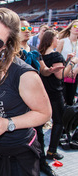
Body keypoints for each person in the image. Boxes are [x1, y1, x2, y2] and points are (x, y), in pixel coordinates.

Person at [0, 8, 52, 176]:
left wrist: (8, 123)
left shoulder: (23, 74)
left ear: (6, 46)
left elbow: (45, 113)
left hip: (18, 155)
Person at [19, 18, 59, 176]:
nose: (27, 31)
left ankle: (42, 163)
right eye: (23, 28)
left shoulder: (34, 49)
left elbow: (43, 70)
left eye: (29, 28)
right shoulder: (11, 50)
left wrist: (51, 71)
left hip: (34, 100)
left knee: (39, 133)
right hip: (18, 101)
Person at [39, 30, 78, 161]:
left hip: (43, 92)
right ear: (51, 40)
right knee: (58, 121)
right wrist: (73, 62)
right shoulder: (56, 56)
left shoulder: (40, 55)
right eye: (56, 37)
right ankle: (52, 151)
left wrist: (65, 60)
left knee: (39, 123)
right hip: (55, 93)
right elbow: (61, 75)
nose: (58, 40)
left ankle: (39, 151)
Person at [56, 19, 78, 105]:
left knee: (71, 98)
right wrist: (66, 69)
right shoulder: (62, 41)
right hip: (63, 72)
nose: (77, 28)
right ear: (70, 28)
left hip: (75, 74)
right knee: (62, 97)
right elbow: (57, 57)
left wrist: (76, 70)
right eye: (75, 26)